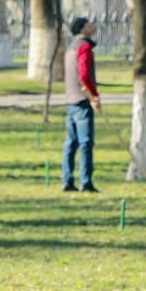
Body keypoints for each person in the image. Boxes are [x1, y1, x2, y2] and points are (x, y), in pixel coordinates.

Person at [63, 15, 101, 193]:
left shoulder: (71, 47)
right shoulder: (84, 47)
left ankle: (67, 180)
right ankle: (86, 182)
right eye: (89, 23)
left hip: (70, 99)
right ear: (83, 28)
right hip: (82, 99)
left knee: (71, 142)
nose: (93, 25)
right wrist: (94, 96)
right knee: (86, 143)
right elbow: (84, 74)